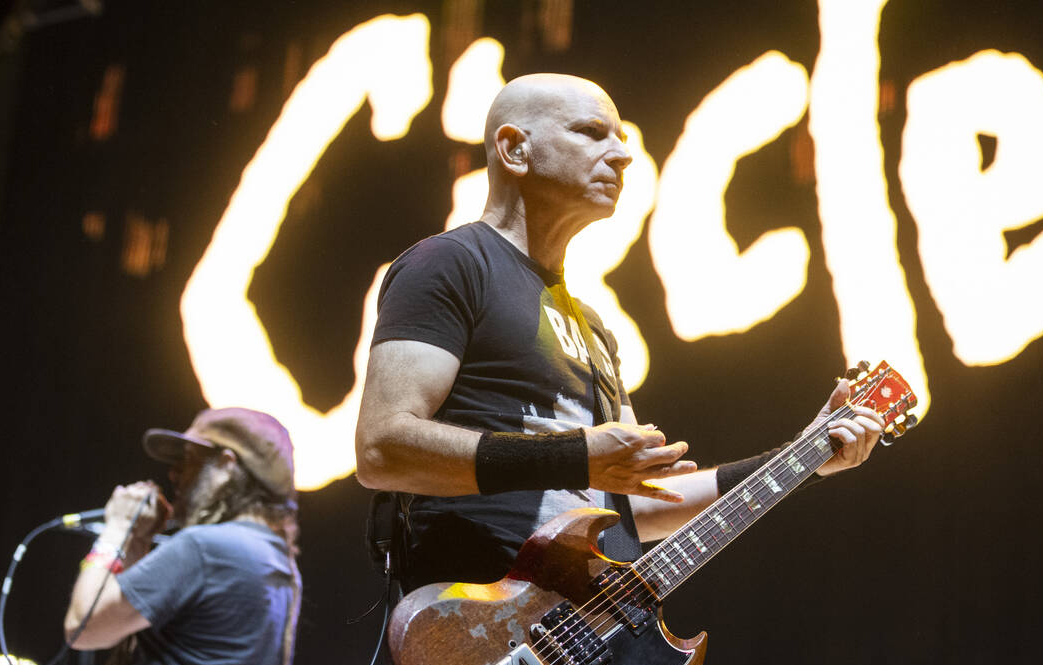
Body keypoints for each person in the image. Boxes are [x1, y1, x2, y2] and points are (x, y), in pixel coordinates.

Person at [354, 73, 885, 591]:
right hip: (474, 632)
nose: (623, 155)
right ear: (515, 149)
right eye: (591, 132)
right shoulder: (449, 264)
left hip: (575, 643)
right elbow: (382, 449)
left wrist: (807, 456)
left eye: (623, 138)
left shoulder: (593, 327)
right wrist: (576, 457)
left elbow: (644, 503)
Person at [60, 407, 302, 665]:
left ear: (226, 465)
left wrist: (117, 533)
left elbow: (84, 626)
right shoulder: (278, 563)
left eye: (189, 463)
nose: (174, 476)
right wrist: (140, 546)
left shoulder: (206, 549)